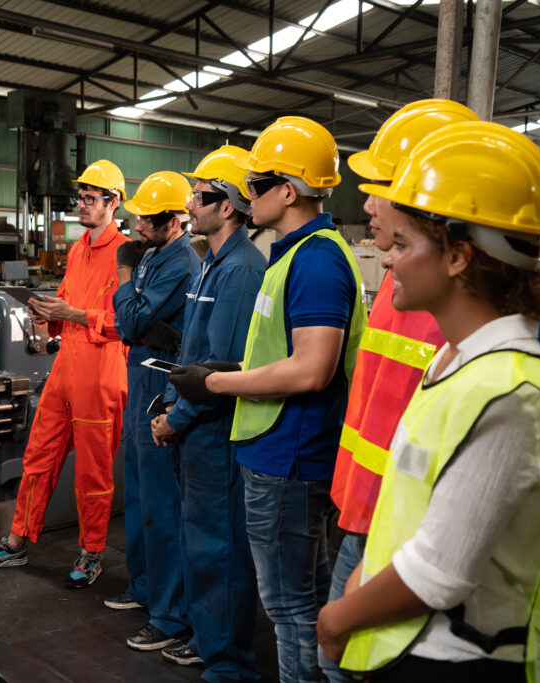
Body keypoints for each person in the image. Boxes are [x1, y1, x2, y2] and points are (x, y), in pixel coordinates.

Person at [317, 121, 540, 682]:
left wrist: (335, 619)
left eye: (402, 245)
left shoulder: (510, 395)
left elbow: (439, 575)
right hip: (407, 640)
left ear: (457, 257)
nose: (385, 261)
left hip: (456, 658)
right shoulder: (455, 362)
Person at [169, 116, 366, 682]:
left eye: (255, 185)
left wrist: (214, 383)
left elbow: (312, 369)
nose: (245, 194)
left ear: (288, 190)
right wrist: (231, 369)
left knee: (289, 609)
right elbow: (286, 351)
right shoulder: (291, 253)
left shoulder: (317, 259)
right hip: (276, 451)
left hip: (290, 455)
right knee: (298, 597)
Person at [320, 99, 479, 682]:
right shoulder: (400, 279)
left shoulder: (466, 311)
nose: (366, 202)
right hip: (365, 511)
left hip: (406, 532)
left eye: (380, 185)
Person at [0, 160, 130, 588]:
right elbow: (63, 305)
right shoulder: (78, 250)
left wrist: (72, 313)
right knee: (38, 458)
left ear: (113, 203)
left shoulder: (127, 254)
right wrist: (43, 313)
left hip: (102, 371)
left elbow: (128, 322)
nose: (82, 204)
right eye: (80, 197)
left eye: (91, 198)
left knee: (93, 471)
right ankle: (17, 541)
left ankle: (92, 551)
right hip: (65, 369)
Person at [150, 146, 266, 681]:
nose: (191, 204)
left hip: (214, 432)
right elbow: (192, 351)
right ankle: (206, 638)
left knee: (219, 548)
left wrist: (179, 418)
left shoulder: (241, 270)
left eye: (201, 196)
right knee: (200, 543)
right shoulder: (210, 264)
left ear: (230, 206)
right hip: (193, 426)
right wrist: (170, 404)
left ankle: (227, 660)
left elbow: (221, 366)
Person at [108, 170, 200, 652]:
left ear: (176, 220)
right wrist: (134, 308)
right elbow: (132, 322)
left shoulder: (179, 260)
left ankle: (171, 613)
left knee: (162, 503)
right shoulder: (154, 254)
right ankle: (145, 589)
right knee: (140, 496)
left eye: (148, 219)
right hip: (139, 371)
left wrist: (125, 281)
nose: (138, 226)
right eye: (139, 217)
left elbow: (133, 320)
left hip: (159, 379)